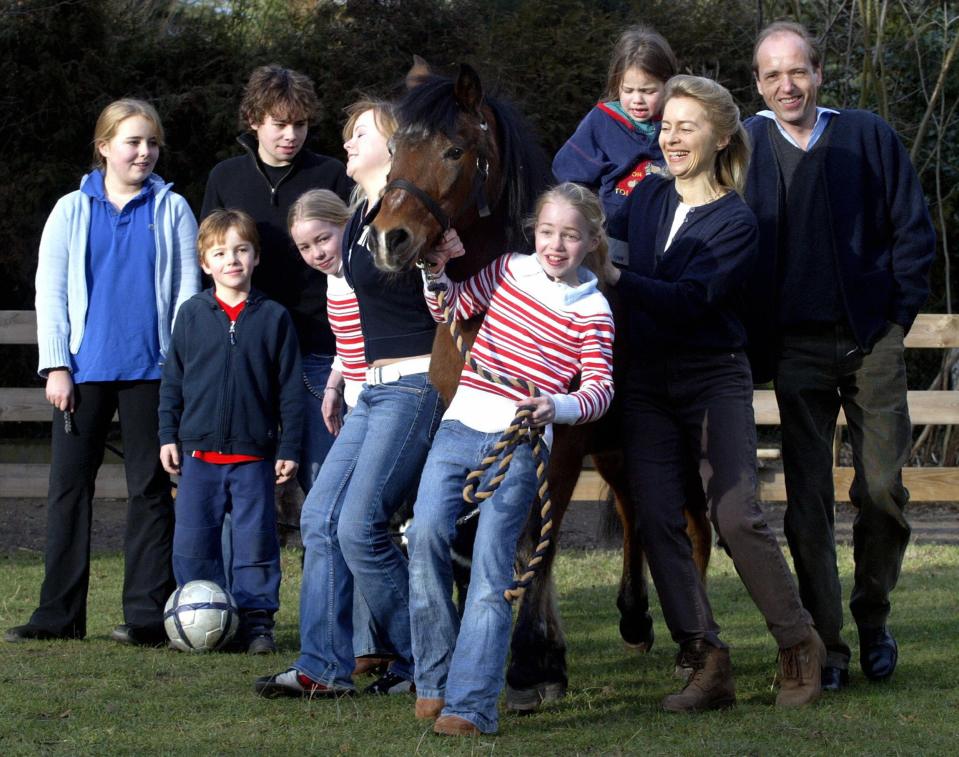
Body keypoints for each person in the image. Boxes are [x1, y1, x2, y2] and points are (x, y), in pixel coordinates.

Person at [606, 75, 825, 711]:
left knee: (733, 514)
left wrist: (615, 273)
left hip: (712, 374)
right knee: (655, 518)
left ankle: (797, 644)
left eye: (687, 126)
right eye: (666, 126)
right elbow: (582, 231)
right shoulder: (644, 200)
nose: (672, 137)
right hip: (645, 380)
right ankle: (707, 662)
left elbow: (692, 300)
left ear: (721, 136)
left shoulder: (737, 220)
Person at [744, 22, 936, 690]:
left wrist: (897, 316)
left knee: (881, 490)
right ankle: (825, 643)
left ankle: (872, 616)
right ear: (758, 83)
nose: (785, 85)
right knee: (806, 505)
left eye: (796, 71)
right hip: (793, 348)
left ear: (819, 73)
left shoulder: (868, 135)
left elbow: (911, 228)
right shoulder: (744, 144)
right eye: (771, 75)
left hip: (868, 340)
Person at [408, 182, 616, 736]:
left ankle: (471, 705)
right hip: (460, 428)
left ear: (592, 240)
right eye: (547, 232)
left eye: (570, 236)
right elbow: (452, 307)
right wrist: (436, 274)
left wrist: (557, 405)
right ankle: (434, 679)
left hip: (521, 443)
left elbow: (600, 389)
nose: (555, 245)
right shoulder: (506, 271)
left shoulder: (593, 309)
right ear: (534, 233)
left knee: (494, 570)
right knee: (424, 535)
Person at [255, 98, 443, 699]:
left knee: (361, 526)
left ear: (394, 145)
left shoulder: (407, 215)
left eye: (359, 133)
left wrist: (441, 271)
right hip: (370, 395)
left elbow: (444, 305)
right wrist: (339, 381)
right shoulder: (364, 217)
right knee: (318, 518)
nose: (345, 145)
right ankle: (323, 669)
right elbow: (352, 324)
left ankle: (426, 658)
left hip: (414, 385)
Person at [5, 99, 200, 646]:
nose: (144, 152)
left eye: (152, 143)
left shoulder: (173, 209)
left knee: (150, 491)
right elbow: (52, 291)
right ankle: (57, 616)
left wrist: (179, 372)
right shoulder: (71, 209)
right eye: (133, 141)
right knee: (68, 489)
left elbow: (187, 295)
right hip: (82, 373)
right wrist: (56, 366)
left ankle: (144, 617)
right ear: (105, 146)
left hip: (152, 373)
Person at [201, 64, 351, 493]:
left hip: (319, 350)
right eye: (280, 124)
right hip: (246, 349)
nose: (291, 135)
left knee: (325, 479)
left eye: (300, 124)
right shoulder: (224, 178)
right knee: (242, 485)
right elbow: (207, 263)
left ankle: (322, 562)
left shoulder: (332, 176)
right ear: (254, 120)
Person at [158, 209, 302, 655]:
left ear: (256, 257)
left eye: (241, 250)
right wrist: (168, 434)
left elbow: (291, 390)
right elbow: (173, 381)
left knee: (255, 542)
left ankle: (257, 623)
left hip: (254, 457)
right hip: (198, 456)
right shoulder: (192, 314)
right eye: (220, 253)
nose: (232, 260)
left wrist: (289, 445)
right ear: (205, 263)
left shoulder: (273, 317)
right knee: (193, 543)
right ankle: (204, 616)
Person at [287, 188, 387, 672]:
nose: (316, 254)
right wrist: (332, 386)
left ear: (345, 224)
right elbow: (350, 346)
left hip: (387, 405)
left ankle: (389, 644)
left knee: (357, 524)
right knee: (334, 520)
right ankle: (352, 649)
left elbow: (381, 340)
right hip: (354, 402)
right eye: (305, 248)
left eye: (323, 239)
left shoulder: (365, 270)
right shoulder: (335, 281)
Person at [552, 25, 676, 221]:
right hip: (614, 230)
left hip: (666, 223)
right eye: (628, 90)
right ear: (617, 84)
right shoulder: (602, 121)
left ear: (668, 84)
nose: (637, 100)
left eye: (648, 91)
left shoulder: (677, 122)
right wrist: (591, 216)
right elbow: (569, 172)